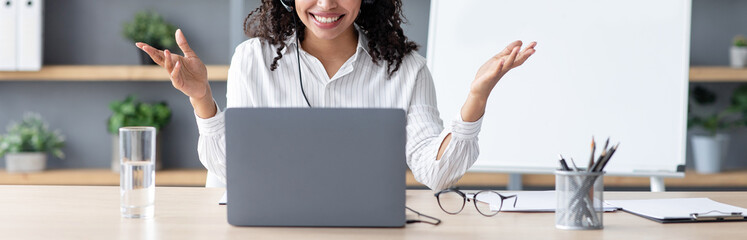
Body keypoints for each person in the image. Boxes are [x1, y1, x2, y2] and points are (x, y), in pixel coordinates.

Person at [136, 0, 536, 190]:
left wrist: (476, 96)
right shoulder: (252, 60)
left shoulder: (408, 69)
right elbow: (229, 171)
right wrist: (202, 97)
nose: (326, 4)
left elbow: (437, 173)